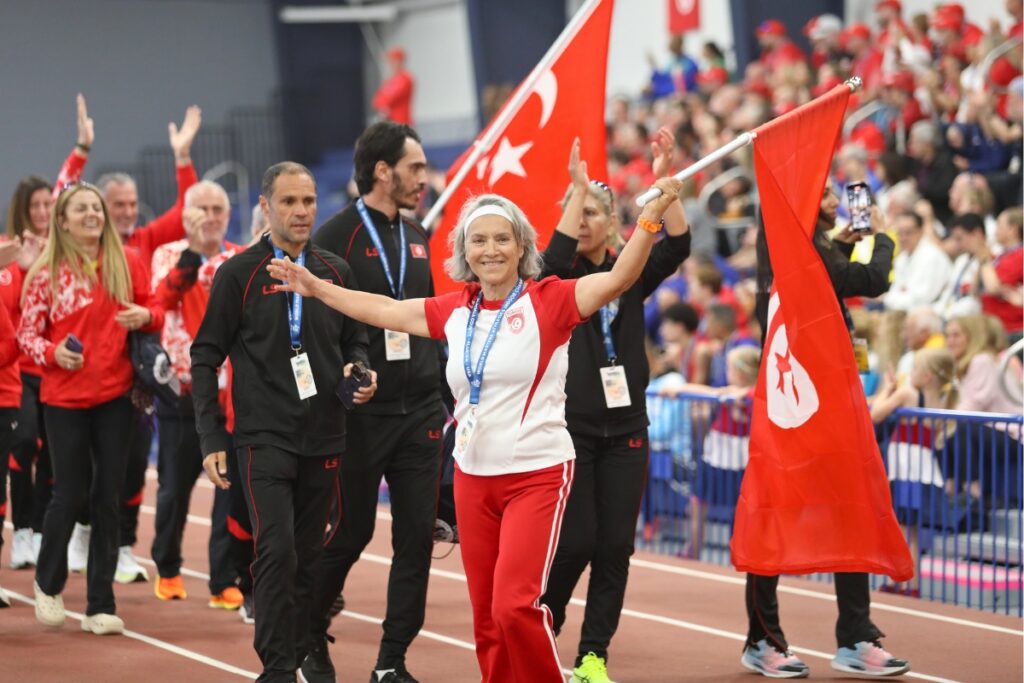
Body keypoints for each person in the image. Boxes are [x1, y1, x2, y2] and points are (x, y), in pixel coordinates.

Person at [269, 168, 684, 682]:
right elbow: (383, 310)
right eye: (479, 240)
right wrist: (316, 288)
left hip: (537, 474)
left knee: (515, 606)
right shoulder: (455, 310)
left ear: (521, 246)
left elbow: (620, 278)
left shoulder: (551, 300)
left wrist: (649, 218)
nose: (490, 250)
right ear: (465, 251)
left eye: (501, 239)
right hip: (472, 477)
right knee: (488, 620)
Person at [192, 162, 374, 683]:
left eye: (309, 201)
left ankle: (298, 652)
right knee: (276, 551)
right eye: (290, 202)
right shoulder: (239, 274)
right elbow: (205, 356)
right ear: (266, 208)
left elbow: (355, 338)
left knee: (310, 557)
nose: (301, 211)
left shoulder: (335, 272)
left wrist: (359, 369)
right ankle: (276, 668)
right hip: (261, 438)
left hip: (326, 434)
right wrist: (210, 437)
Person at [536, 131, 691, 683]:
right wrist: (576, 192)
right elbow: (547, 260)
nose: (583, 221)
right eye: (577, 212)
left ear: (612, 221)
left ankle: (593, 655)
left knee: (615, 547)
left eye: (594, 212)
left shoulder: (629, 271)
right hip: (571, 431)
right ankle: (539, 629)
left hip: (627, 428)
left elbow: (676, 247)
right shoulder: (559, 279)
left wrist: (665, 188)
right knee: (576, 540)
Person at [742, 184, 910, 678]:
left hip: (827, 403)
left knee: (850, 507)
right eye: (827, 193)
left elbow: (829, 268)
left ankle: (855, 635)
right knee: (772, 515)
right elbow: (869, 277)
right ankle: (762, 639)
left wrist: (841, 237)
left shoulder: (801, 255)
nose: (839, 199)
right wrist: (882, 236)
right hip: (795, 410)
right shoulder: (795, 256)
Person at [308, 121, 443, 683]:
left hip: (422, 414)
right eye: (414, 167)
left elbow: (431, 314)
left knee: (415, 539)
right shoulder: (335, 236)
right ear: (383, 171)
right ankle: (307, 632)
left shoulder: (418, 234)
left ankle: (392, 661)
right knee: (351, 532)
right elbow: (319, 323)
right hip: (361, 416)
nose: (423, 178)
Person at [17, 182, 164, 635]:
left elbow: (156, 306)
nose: (92, 214)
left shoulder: (127, 261)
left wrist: (147, 316)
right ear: (62, 221)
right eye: (81, 208)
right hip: (64, 400)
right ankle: (48, 583)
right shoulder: (46, 273)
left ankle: (101, 602)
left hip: (117, 397)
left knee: (108, 498)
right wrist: (53, 354)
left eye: (95, 207)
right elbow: (26, 335)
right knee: (70, 493)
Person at [66, 102, 202, 578]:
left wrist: (182, 157)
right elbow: (65, 194)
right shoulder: (77, 253)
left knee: (128, 466)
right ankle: (81, 531)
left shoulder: (143, 242)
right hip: (84, 378)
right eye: (116, 205)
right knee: (84, 468)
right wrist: (82, 150)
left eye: (130, 204)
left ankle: (123, 543)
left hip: (137, 379)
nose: (125, 212)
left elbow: (188, 213)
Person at [148, 181, 248, 608]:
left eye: (217, 208)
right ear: (187, 214)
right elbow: (162, 297)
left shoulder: (240, 257)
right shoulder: (168, 254)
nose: (210, 215)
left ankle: (222, 579)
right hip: (181, 392)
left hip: (229, 396)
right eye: (202, 208)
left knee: (228, 486)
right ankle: (168, 568)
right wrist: (192, 253)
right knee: (174, 488)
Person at [870, 347, 959, 597]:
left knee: (899, 529)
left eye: (915, 368)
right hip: (924, 469)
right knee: (913, 533)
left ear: (927, 376)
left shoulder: (908, 393)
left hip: (905, 467)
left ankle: (899, 579)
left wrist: (887, 388)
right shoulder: (942, 399)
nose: (911, 373)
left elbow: (876, 414)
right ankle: (912, 584)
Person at [662, 346, 761, 561]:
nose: (726, 372)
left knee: (743, 506)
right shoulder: (728, 392)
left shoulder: (755, 396)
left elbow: (747, 396)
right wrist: (680, 389)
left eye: (729, 368)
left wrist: (743, 393)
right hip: (715, 455)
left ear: (741, 372)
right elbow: (709, 392)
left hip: (739, 458)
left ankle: (741, 549)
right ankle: (694, 546)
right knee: (697, 501)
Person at [882, 211, 952, 312]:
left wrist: (894, 297)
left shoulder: (933, 256)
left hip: (932, 313)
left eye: (908, 232)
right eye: (900, 233)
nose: (903, 238)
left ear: (920, 231)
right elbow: (895, 291)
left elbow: (924, 298)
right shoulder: (901, 259)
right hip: (901, 310)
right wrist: (898, 295)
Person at [373, 47, 415, 126]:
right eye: (390, 61)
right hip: (390, 124)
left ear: (400, 61)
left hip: (402, 124)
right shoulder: (389, 81)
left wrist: (384, 102)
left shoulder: (406, 79)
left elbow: (390, 98)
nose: (390, 64)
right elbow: (376, 101)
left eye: (393, 60)